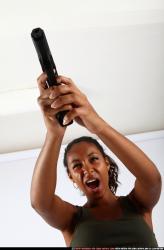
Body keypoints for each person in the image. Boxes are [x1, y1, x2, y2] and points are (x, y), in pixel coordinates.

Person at [30, 73, 162, 248]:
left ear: (106, 163)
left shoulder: (138, 205)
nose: (87, 168)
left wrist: (98, 125)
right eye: (77, 166)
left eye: (93, 159)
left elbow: (152, 180)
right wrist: (54, 134)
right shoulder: (72, 219)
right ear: (71, 177)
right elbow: (41, 203)